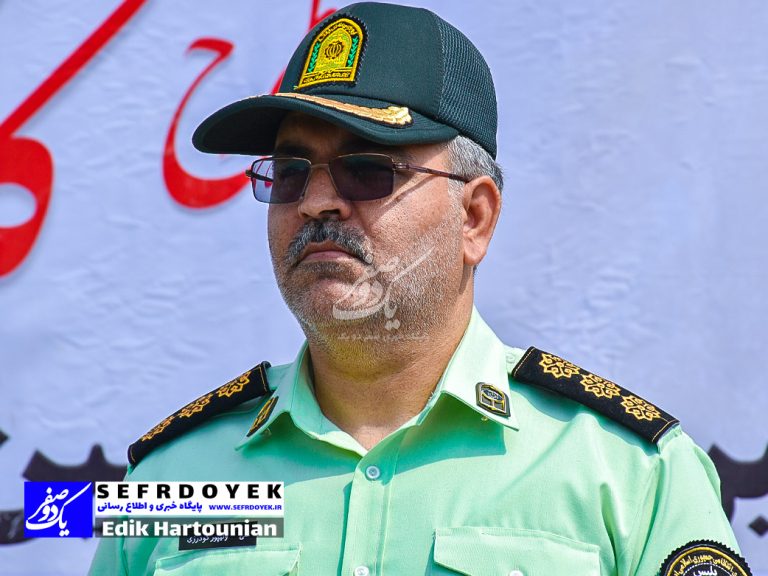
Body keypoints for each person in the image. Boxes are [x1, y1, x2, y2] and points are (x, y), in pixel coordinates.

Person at [90, 2, 749, 575]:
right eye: (290, 172)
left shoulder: (631, 474)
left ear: (475, 218)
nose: (316, 201)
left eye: (367, 169)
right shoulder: (169, 483)